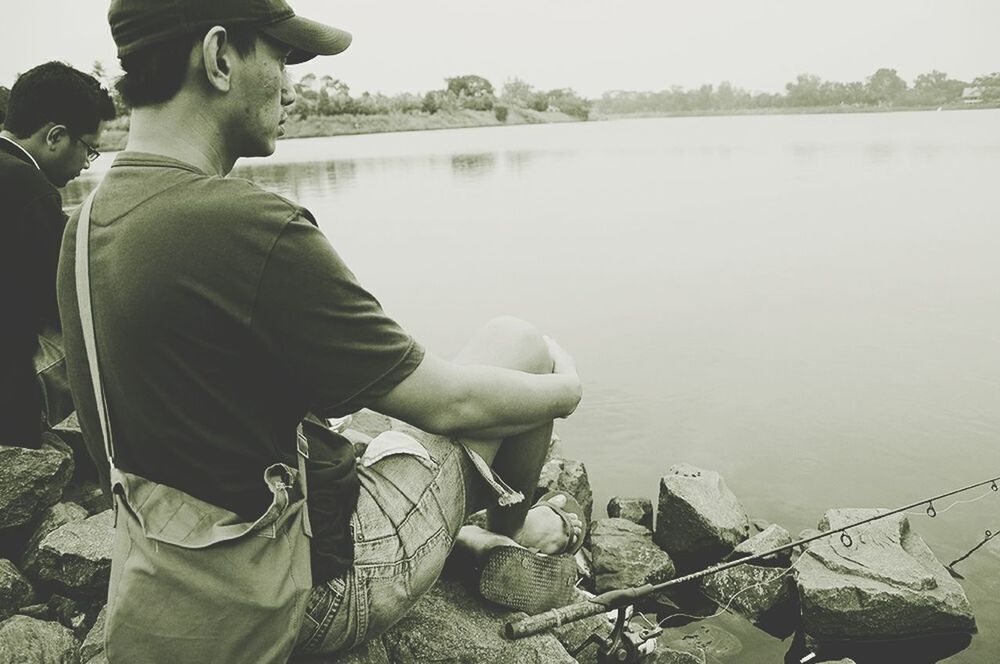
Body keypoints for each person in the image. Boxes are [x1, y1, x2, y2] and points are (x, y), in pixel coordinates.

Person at [56, 1, 583, 661]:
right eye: (281, 56)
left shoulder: (85, 225)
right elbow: (451, 401)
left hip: (168, 583)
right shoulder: (244, 223)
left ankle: (484, 532)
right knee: (522, 346)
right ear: (220, 57)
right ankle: (509, 533)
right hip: (311, 592)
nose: (291, 83)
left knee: (381, 428)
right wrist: (568, 387)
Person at [0, 62, 115, 448]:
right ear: (56, 136)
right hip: (10, 398)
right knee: (109, 318)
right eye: (89, 149)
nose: (86, 164)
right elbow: (69, 298)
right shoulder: (25, 185)